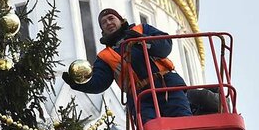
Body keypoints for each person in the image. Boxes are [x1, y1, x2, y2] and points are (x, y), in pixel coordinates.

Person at [62, 8, 197, 123]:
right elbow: (99, 83)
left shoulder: (142, 29)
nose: (108, 23)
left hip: (166, 85)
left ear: (120, 20)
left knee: (182, 121)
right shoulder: (105, 56)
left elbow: (165, 46)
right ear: (102, 30)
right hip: (140, 96)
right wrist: (77, 83)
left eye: (111, 18)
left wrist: (142, 39)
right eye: (104, 22)